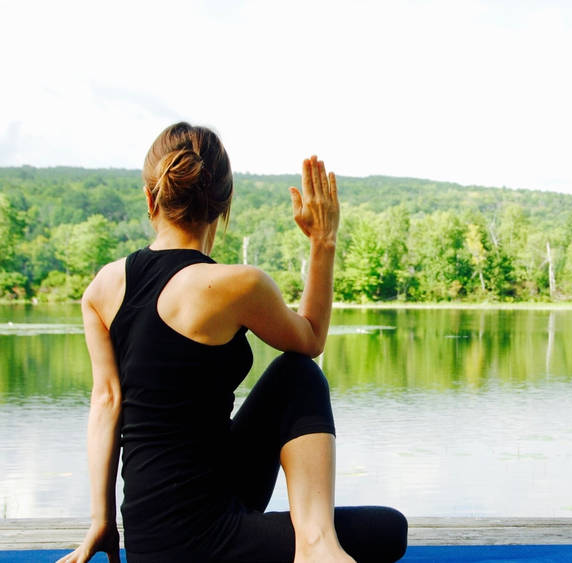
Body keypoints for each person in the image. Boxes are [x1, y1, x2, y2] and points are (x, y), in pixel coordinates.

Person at [57, 122, 407, 563]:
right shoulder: (237, 285)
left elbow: (107, 404)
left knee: (292, 375)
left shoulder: (102, 288)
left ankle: (315, 543)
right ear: (224, 205)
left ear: (151, 198)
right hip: (204, 543)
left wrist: (102, 522)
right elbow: (311, 338)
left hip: (150, 542)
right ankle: (316, 545)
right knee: (388, 528)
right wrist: (324, 240)